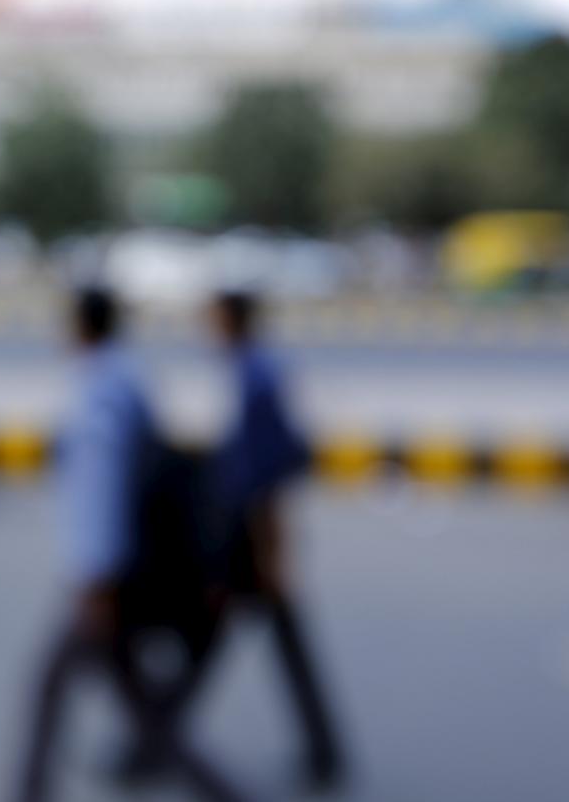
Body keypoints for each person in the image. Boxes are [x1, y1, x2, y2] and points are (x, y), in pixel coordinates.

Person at [10, 287, 247, 802]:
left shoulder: (100, 390)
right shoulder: (128, 377)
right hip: (131, 570)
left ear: (79, 326)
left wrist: (95, 581)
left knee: (83, 694)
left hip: (110, 577)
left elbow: (100, 490)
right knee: (131, 705)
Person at [207, 289, 346, 793]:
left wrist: (272, 552)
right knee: (241, 645)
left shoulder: (255, 377)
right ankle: (324, 752)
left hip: (252, 538)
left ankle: (157, 741)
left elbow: (270, 469)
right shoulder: (255, 368)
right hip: (250, 535)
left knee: (213, 644)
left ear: (229, 321)